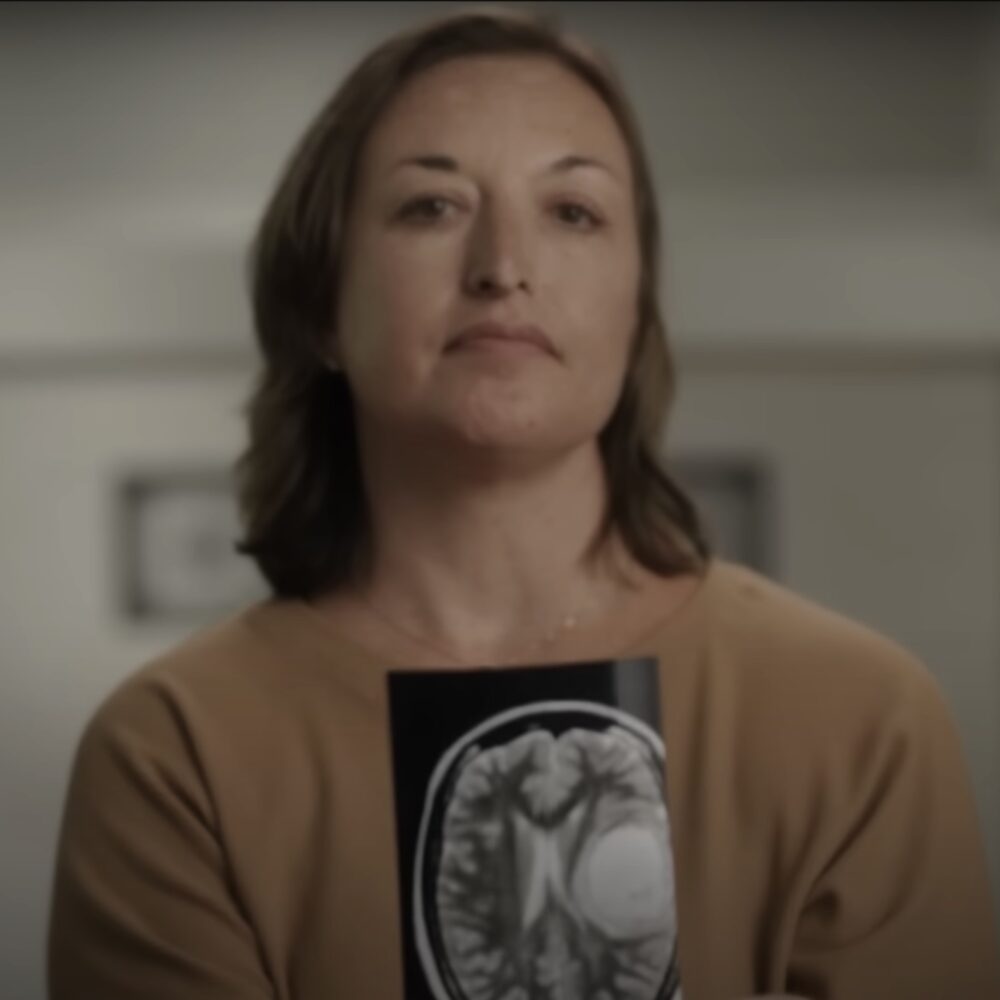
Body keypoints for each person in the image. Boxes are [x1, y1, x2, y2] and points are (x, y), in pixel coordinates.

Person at [47, 6, 999, 999]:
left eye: (573, 212)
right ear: (320, 301)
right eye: (431, 206)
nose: (504, 266)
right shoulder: (174, 753)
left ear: (634, 310)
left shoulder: (859, 720)